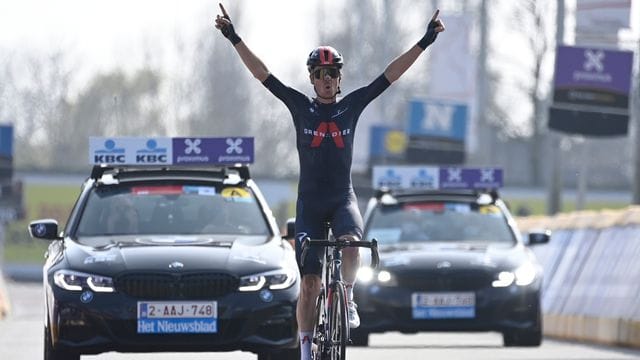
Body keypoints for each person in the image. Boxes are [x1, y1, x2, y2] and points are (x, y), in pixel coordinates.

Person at [214, 4, 444, 359]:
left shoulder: (351, 105)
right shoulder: (299, 106)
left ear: (339, 79)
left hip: (342, 200)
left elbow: (390, 75)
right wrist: (234, 38)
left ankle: (347, 295)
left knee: (352, 243)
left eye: (331, 73)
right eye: (319, 72)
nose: (325, 78)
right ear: (311, 78)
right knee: (309, 285)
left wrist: (425, 42)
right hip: (310, 203)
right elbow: (263, 74)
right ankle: (306, 349)